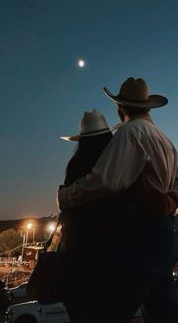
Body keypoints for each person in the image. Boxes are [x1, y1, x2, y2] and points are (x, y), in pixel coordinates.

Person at [58, 77, 178, 323]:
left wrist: (66, 196)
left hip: (141, 235)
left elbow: (104, 181)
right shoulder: (165, 140)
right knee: (163, 313)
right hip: (166, 232)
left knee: (110, 313)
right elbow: (175, 189)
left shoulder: (129, 132)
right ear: (147, 106)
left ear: (120, 107)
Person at [58, 109, 122, 323]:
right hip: (109, 250)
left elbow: (67, 207)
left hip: (77, 250)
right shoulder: (114, 166)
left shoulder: (75, 166)